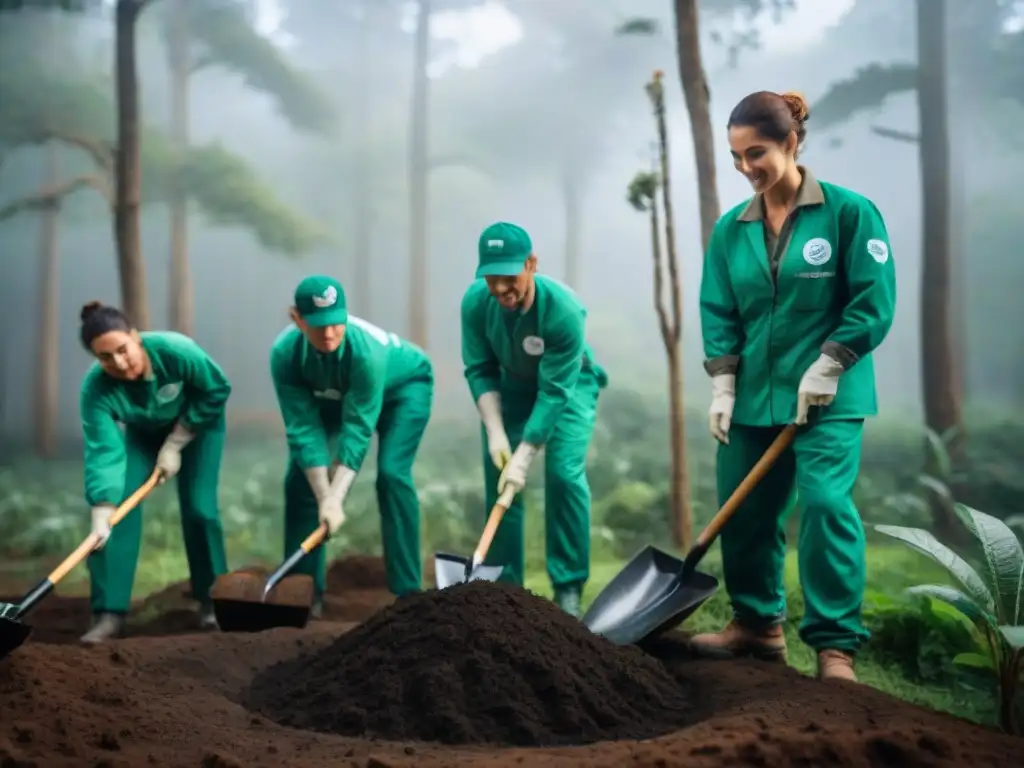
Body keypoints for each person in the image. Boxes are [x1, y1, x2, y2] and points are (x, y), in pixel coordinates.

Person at [695, 90, 897, 681]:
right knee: (745, 509)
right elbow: (719, 308)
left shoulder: (849, 213)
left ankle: (835, 646)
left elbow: (873, 300)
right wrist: (724, 384)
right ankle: (757, 626)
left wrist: (831, 362)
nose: (745, 169)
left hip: (831, 397)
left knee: (826, 504)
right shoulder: (731, 230)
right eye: (735, 158)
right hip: (755, 393)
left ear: (790, 142)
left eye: (755, 153)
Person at [460, 222, 608, 618]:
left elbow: (555, 392)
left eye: (509, 278)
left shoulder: (563, 310)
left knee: (563, 474)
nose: (501, 289)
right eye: (492, 279)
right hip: (511, 388)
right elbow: (478, 369)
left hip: (569, 385)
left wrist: (525, 456)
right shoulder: (476, 303)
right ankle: (508, 593)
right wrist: (496, 434)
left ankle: (569, 587)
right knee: (501, 476)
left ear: (531, 264)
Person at [270, 275, 433, 613]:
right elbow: (303, 429)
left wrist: (336, 498)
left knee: (392, 474)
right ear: (296, 319)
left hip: (403, 390)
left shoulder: (366, 354)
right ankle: (303, 593)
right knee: (301, 478)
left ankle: (407, 594)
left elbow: (358, 429)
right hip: (333, 397)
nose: (328, 334)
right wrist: (323, 497)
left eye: (335, 323)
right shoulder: (284, 355)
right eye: (317, 326)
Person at [77, 301, 232, 644]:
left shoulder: (175, 350)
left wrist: (176, 443)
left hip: (200, 426)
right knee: (114, 516)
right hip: (143, 436)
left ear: (136, 337)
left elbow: (216, 388)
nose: (118, 363)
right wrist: (101, 509)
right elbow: (104, 450)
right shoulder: (96, 390)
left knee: (200, 509)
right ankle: (108, 613)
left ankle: (213, 602)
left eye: (122, 350)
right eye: (105, 358)